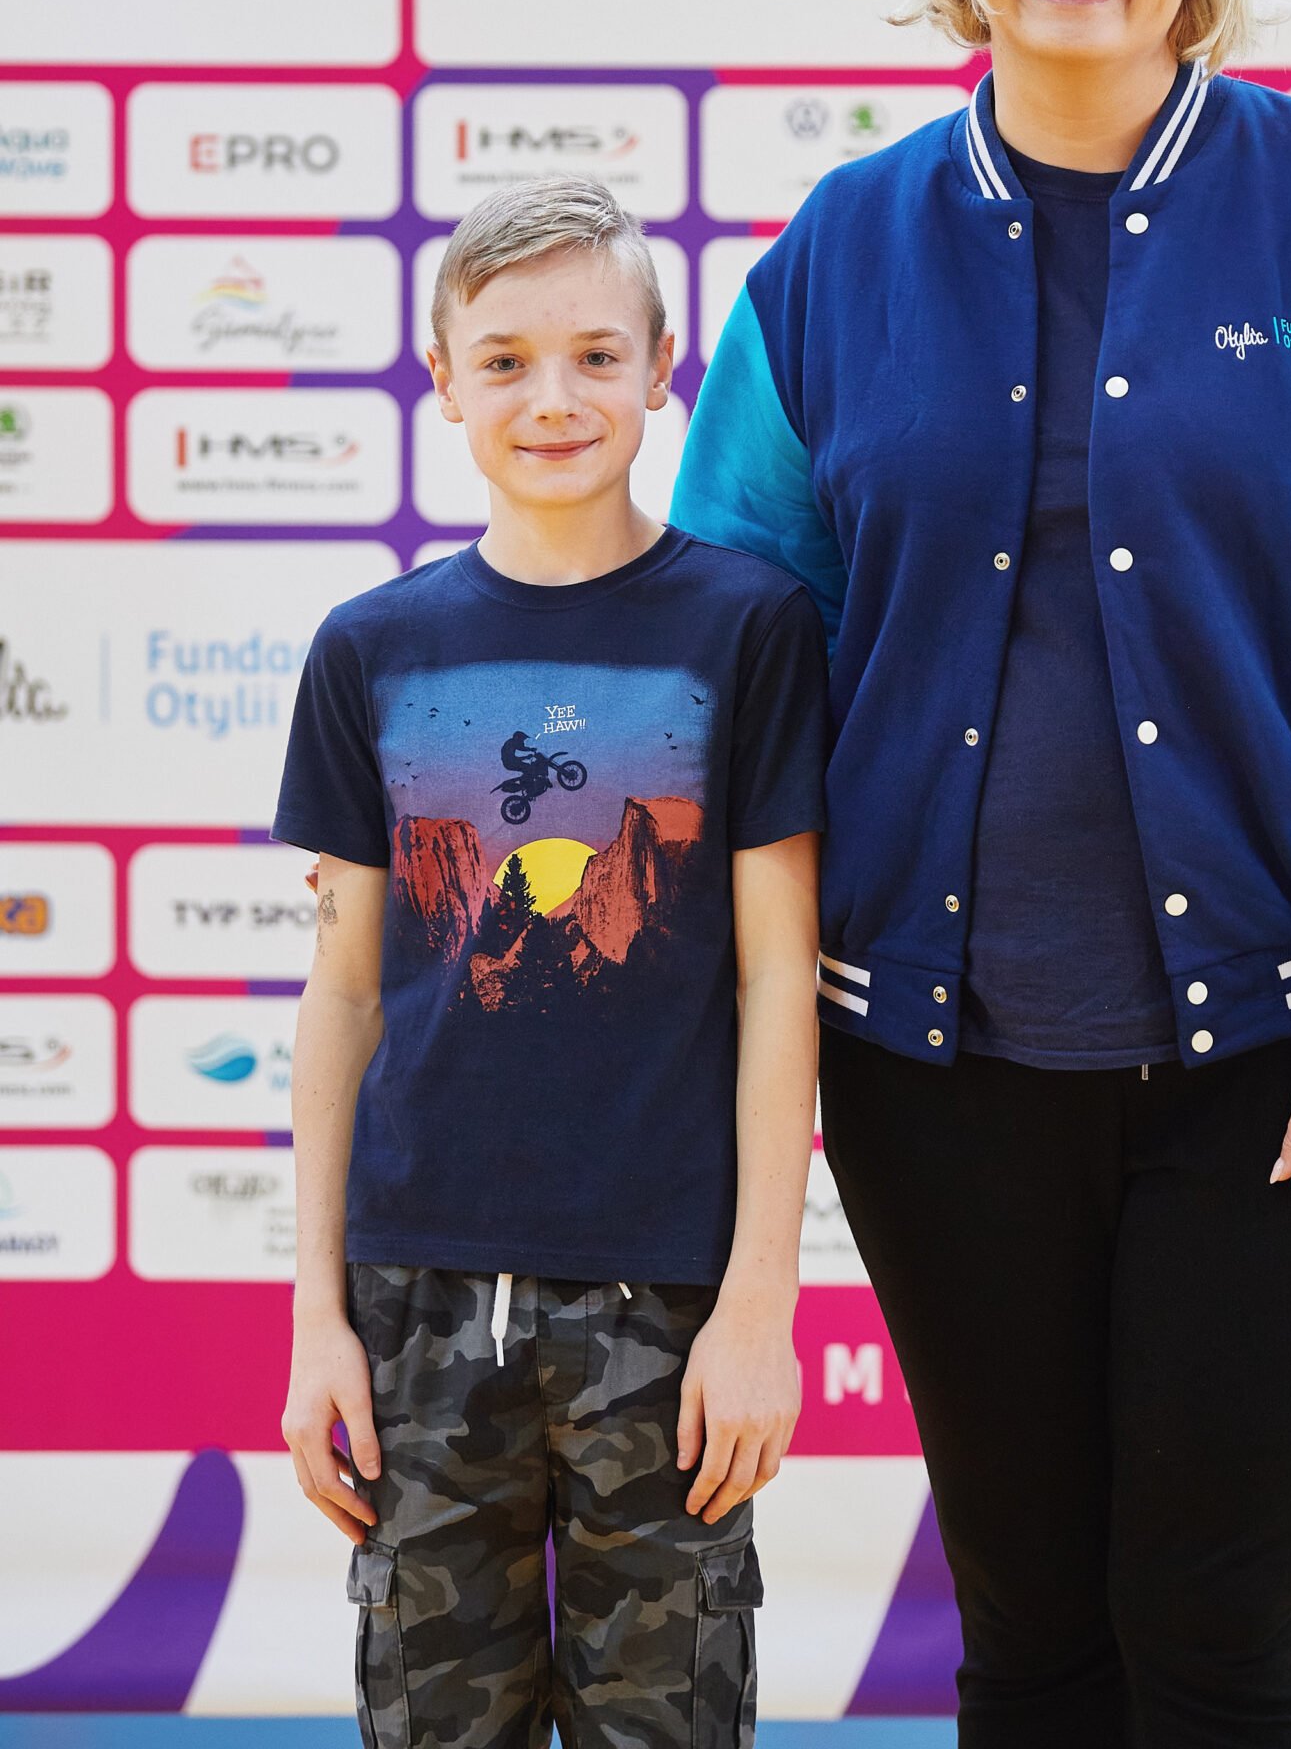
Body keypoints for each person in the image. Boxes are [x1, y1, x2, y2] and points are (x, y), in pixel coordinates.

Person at [673, 0, 1291, 1746]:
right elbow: (731, 676)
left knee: (1219, 1640)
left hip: (1287, 1067)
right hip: (934, 1070)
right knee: (1035, 1637)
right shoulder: (835, 257)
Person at [275, 177, 828, 1749]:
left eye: (595, 355)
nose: (554, 399)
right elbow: (346, 992)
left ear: (661, 371)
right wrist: (317, 1317)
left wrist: (759, 1304)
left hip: (669, 1295)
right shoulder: (369, 649)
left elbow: (779, 983)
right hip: (413, 1295)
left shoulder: (748, 629)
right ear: (443, 383)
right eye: (505, 361)